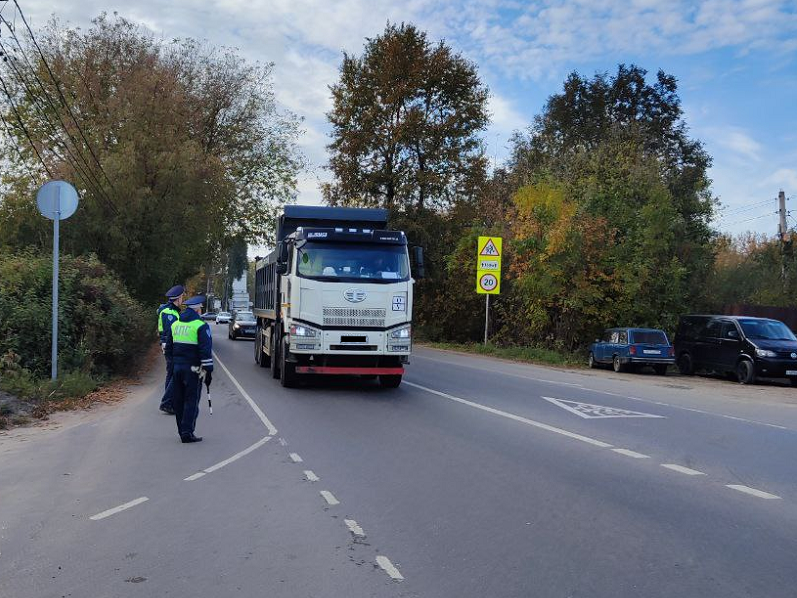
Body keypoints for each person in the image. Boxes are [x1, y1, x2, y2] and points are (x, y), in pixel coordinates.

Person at [165, 295, 213, 443]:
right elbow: (205, 351)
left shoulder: (175, 325)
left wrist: (173, 365)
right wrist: (208, 371)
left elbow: (168, 349)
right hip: (194, 368)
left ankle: (181, 431)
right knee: (191, 400)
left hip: (177, 368)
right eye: (200, 309)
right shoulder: (201, 326)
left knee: (179, 400)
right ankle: (187, 432)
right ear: (197, 310)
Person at [157, 285, 184, 415]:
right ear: (178, 298)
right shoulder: (169, 313)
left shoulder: (172, 311)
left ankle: (170, 401)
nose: (183, 300)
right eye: (182, 297)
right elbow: (171, 333)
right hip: (171, 346)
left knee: (171, 373)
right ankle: (167, 403)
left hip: (168, 345)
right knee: (175, 374)